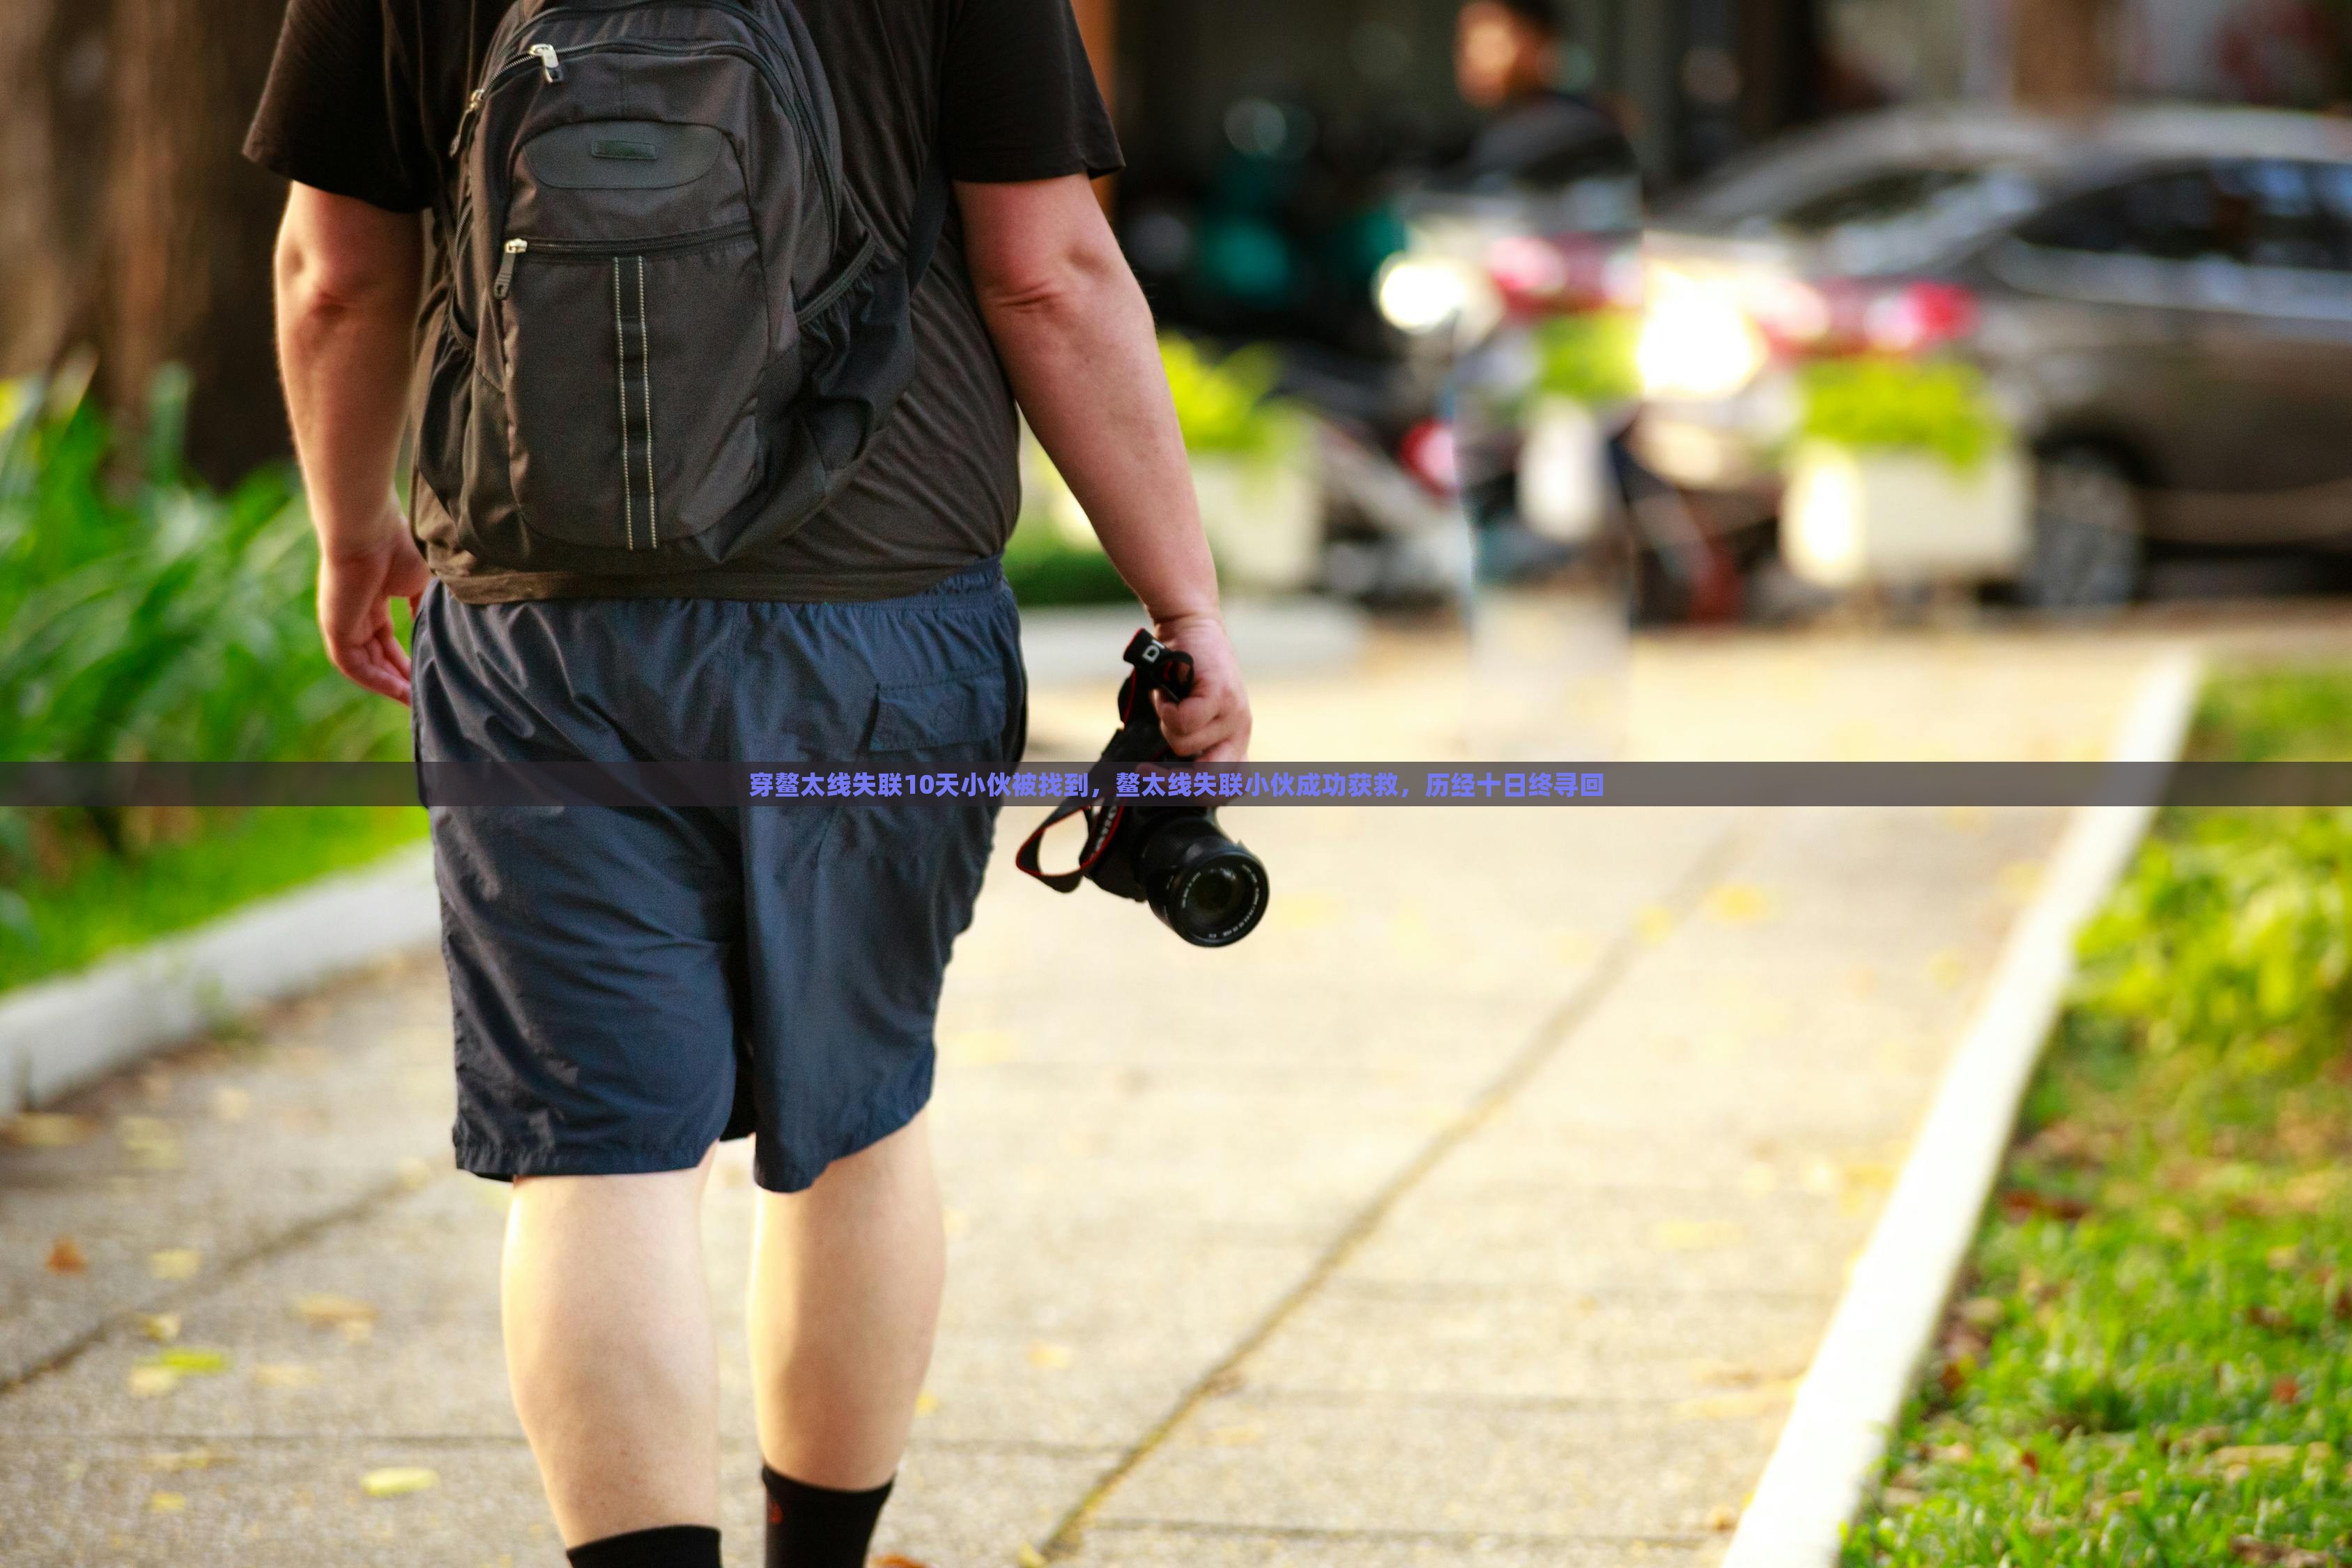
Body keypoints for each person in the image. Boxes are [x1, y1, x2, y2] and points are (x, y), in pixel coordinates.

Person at [247, 3, 1252, 1565]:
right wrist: (1180, 602)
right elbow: (1047, 273)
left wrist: (350, 515)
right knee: (852, 1106)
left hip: (543, 632)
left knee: (596, 1151)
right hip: (875, 621)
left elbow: (336, 271)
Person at [1450, 0, 1638, 194]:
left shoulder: (1569, 137)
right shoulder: (1499, 130)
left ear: (1539, 38)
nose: (1471, 55)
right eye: (1464, 41)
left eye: (1488, 42)